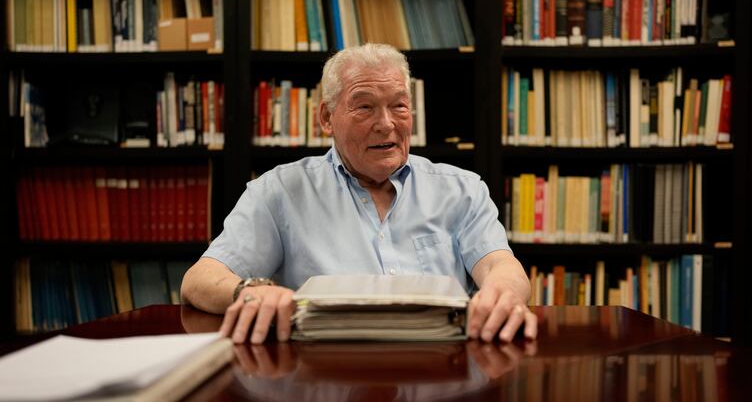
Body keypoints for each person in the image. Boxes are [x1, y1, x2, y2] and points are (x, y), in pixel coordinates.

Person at [181, 43, 538, 344]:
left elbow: (499, 265)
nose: (386, 123)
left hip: (439, 368)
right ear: (326, 118)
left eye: (399, 105)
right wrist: (250, 290)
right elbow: (200, 280)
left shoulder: (461, 189)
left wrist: (502, 291)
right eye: (365, 106)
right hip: (321, 371)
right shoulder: (279, 192)